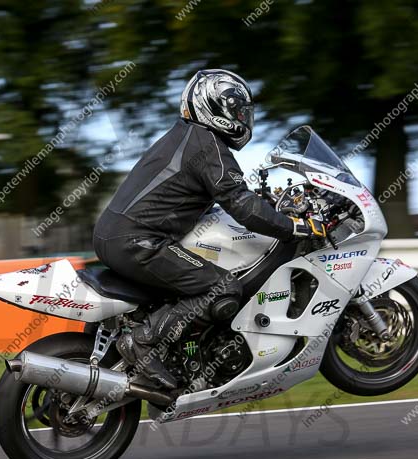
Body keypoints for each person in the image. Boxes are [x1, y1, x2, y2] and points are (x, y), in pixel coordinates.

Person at [93, 69, 325, 389]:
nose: (244, 117)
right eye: (238, 110)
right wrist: (294, 226)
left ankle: (183, 354)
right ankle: (143, 344)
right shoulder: (208, 144)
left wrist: (268, 204)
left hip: (117, 235)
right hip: (139, 241)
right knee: (223, 288)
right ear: (216, 108)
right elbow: (241, 205)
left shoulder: (187, 136)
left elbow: (217, 196)